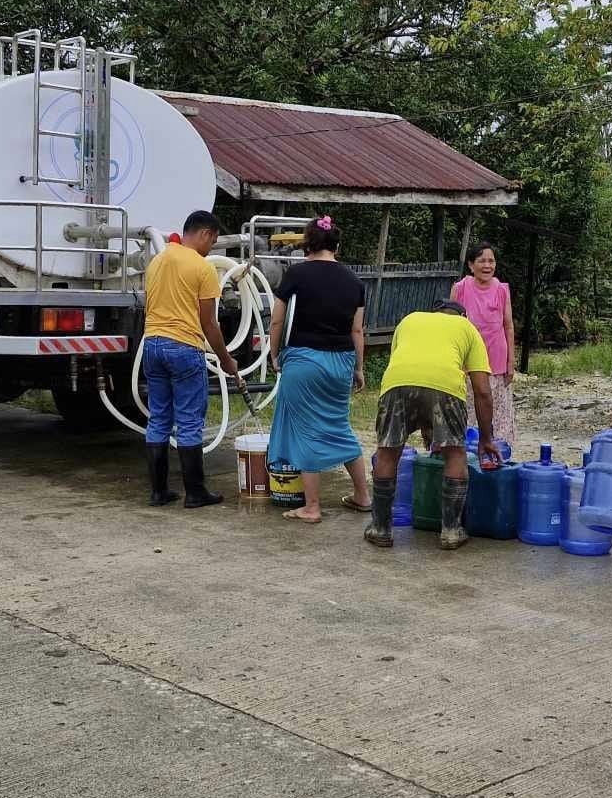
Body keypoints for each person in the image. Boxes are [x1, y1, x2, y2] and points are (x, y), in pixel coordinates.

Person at [363, 301, 498, 550]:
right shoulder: (467, 328)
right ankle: (451, 531)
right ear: (462, 316)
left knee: (388, 451)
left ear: (435, 312)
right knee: (455, 453)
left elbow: (413, 371)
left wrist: (429, 428)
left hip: (397, 383)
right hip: (445, 387)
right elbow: (482, 391)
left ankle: (381, 528)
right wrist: (486, 439)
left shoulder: (410, 318)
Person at [266, 215, 370, 524]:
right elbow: (357, 331)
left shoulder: (295, 274)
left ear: (307, 244)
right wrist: (359, 368)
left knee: (306, 432)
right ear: (336, 245)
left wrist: (274, 355)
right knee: (339, 426)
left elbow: (277, 321)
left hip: (304, 360)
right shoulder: (354, 281)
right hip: (340, 361)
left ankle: (311, 507)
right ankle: (363, 496)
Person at [141, 210, 242, 509]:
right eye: (213, 241)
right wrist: (226, 359)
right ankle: (195, 493)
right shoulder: (202, 268)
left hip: (152, 345)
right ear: (206, 234)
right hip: (184, 347)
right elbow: (209, 323)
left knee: (158, 418)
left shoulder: (156, 262)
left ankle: (158, 492)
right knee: (188, 421)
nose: (211, 248)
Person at [451, 242, 516, 448]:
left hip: (496, 359)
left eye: (491, 261)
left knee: (497, 410)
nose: (487, 265)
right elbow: (450, 326)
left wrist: (511, 361)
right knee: (469, 409)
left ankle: (500, 452)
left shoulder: (502, 289)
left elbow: (508, 326)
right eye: (482, 261)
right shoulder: (460, 288)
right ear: (471, 265)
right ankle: (467, 451)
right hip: (466, 362)